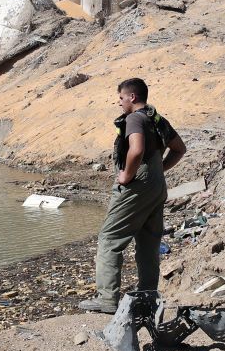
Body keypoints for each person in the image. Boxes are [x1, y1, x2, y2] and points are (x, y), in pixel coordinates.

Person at [79, 78, 187, 313]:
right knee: (148, 243)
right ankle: (148, 296)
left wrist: (127, 175)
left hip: (138, 185)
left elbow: (136, 150)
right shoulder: (156, 118)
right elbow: (180, 148)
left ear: (132, 97)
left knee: (109, 238)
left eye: (121, 98)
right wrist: (158, 170)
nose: (119, 103)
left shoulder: (135, 119)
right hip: (157, 186)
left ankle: (107, 299)